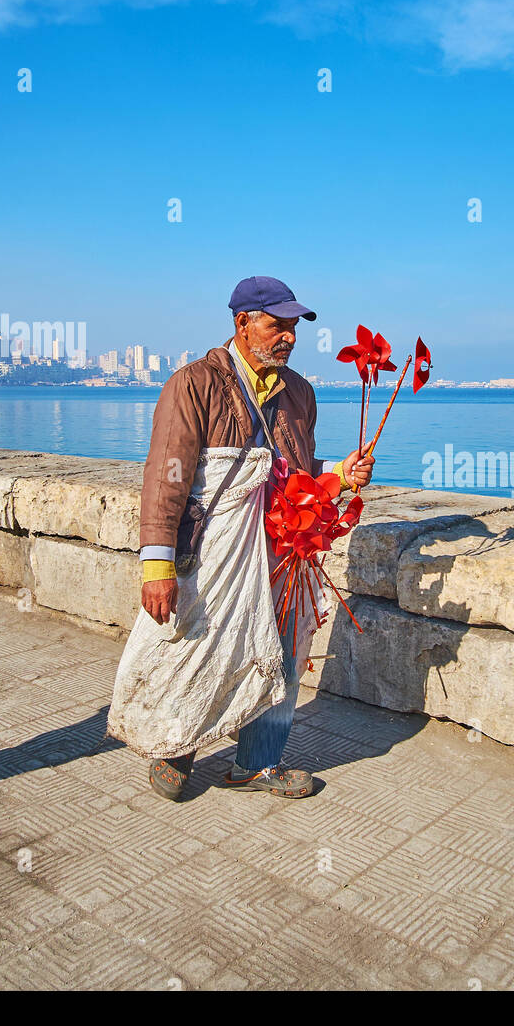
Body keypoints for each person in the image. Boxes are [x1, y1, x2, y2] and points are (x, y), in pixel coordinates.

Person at [107, 276, 373, 801]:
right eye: (277, 326)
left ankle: (256, 763)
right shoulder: (194, 385)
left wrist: (340, 473)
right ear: (242, 324)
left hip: (281, 553)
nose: (289, 338)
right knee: (195, 644)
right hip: (213, 551)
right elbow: (167, 477)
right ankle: (174, 746)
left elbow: (294, 472)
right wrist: (157, 565)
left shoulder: (299, 393)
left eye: (294, 329)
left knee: (282, 654)